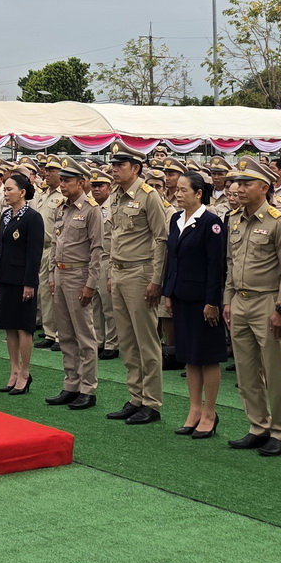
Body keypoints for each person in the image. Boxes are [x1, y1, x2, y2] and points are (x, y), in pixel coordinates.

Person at [224, 161, 281, 453]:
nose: (238, 189)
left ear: (264, 188)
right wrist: (227, 300)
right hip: (239, 300)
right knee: (246, 370)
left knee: (274, 371)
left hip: (267, 301)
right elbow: (231, 262)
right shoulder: (234, 219)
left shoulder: (277, 222)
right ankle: (257, 425)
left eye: (246, 183)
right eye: (238, 183)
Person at [102, 150, 171, 426]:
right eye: (114, 165)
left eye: (120, 165)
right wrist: (110, 272)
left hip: (140, 273)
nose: (115, 169)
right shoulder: (117, 194)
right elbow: (115, 236)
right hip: (119, 271)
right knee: (128, 342)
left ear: (136, 168)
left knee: (146, 341)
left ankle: (152, 402)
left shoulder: (148, 195)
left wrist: (156, 279)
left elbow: (161, 239)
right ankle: (135, 397)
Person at [165, 171, 227, 437]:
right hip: (181, 296)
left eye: (183, 190)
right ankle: (194, 409)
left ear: (199, 193)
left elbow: (216, 265)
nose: (178, 194)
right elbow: (173, 259)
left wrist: (212, 301)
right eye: (177, 190)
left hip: (202, 300)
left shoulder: (211, 223)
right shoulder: (176, 219)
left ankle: (210, 412)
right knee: (189, 355)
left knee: (207, 357)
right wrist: (169, 292)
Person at [43, 161, 105, 412]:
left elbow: (97, 250)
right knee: (66, 334)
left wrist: (90, 284)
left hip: (79, 275)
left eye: (68, 180)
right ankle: (71, 383)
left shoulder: (91, 210)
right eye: (63, 180)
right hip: (60, 273)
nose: (63, 184)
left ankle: (88, 388)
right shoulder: (61, 208)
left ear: (81, 182)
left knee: (84, 335)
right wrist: (51, 275)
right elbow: (56, 244)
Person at [0, 172, 45, 394]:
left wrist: (30, 283)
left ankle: (25, 372)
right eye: (5, 189)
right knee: (9, 327)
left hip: (22, 280)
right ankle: (13, 370)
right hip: (5, 277)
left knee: (24, 328)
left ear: (22, 192)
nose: (6, 193)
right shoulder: (5, 215)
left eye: (10, 189)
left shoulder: (33, 217)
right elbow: (0, 247)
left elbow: (34, 253)